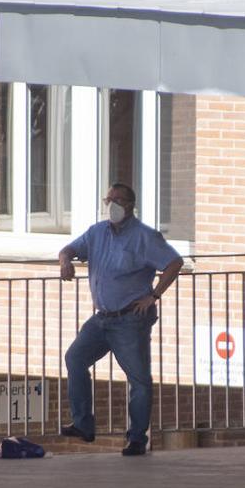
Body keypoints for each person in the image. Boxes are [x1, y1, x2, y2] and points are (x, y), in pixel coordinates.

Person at [58, 182, 184, 456]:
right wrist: (65, 261)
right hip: (102, 318)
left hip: (130, 319)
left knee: (138, 379)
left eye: (118, 200)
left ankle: (137, 438)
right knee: (75, 358)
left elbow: (174, 263)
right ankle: (83, 424)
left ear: (129, 205)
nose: (112, 205)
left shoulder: (144, 237)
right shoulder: (97, 233)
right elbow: (68, 249)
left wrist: (154, 296)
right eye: (109, 199)